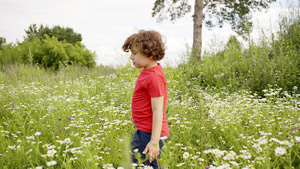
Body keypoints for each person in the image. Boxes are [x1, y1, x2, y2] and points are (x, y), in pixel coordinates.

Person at [122, 30, 169, 168]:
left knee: (145, 165)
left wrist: (154, 142)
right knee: (134, 161)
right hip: (143, 130)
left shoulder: (154, 76)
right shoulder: (147, 72)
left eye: (134, 53)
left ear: (150, 53)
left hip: (151, 134)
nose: (131, 57)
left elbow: (158, 110)